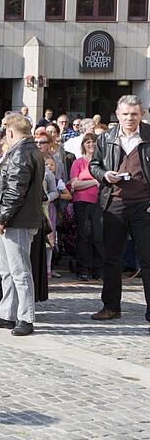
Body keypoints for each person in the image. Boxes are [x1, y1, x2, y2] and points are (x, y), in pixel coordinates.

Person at [88, 95, 150, 323]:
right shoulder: (106, 138)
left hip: (144, 205)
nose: (130, 118)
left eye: (134, 114)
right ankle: (111, 306)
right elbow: (93, 165)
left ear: (141, 114)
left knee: (148, 258)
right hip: (113, 203)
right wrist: (105, 175)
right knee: (111, 258)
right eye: (125, 114)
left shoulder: (149, 135)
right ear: (117, 114)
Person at [0, 113, 45, 336]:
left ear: (10, 131)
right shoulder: (24, 150)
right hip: (13, 219)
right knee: (7, 270)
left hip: (16, 221)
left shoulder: (22, 152)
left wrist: (2, 218)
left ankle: (26, 317)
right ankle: (6, 313)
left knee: (19, 271)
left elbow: (15, 191)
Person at [69, 133, 104, 281]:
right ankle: (83, 268)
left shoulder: (103, 163)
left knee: (98, 235)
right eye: (88, 142)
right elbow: (75, 184)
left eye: (93, 142)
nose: (91, 145)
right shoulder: (78, 163)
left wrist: (91, 182)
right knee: (83, 235)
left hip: (99, 202)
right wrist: (95, 182)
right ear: (83, 145)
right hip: (81, 202)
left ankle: (98, 268)